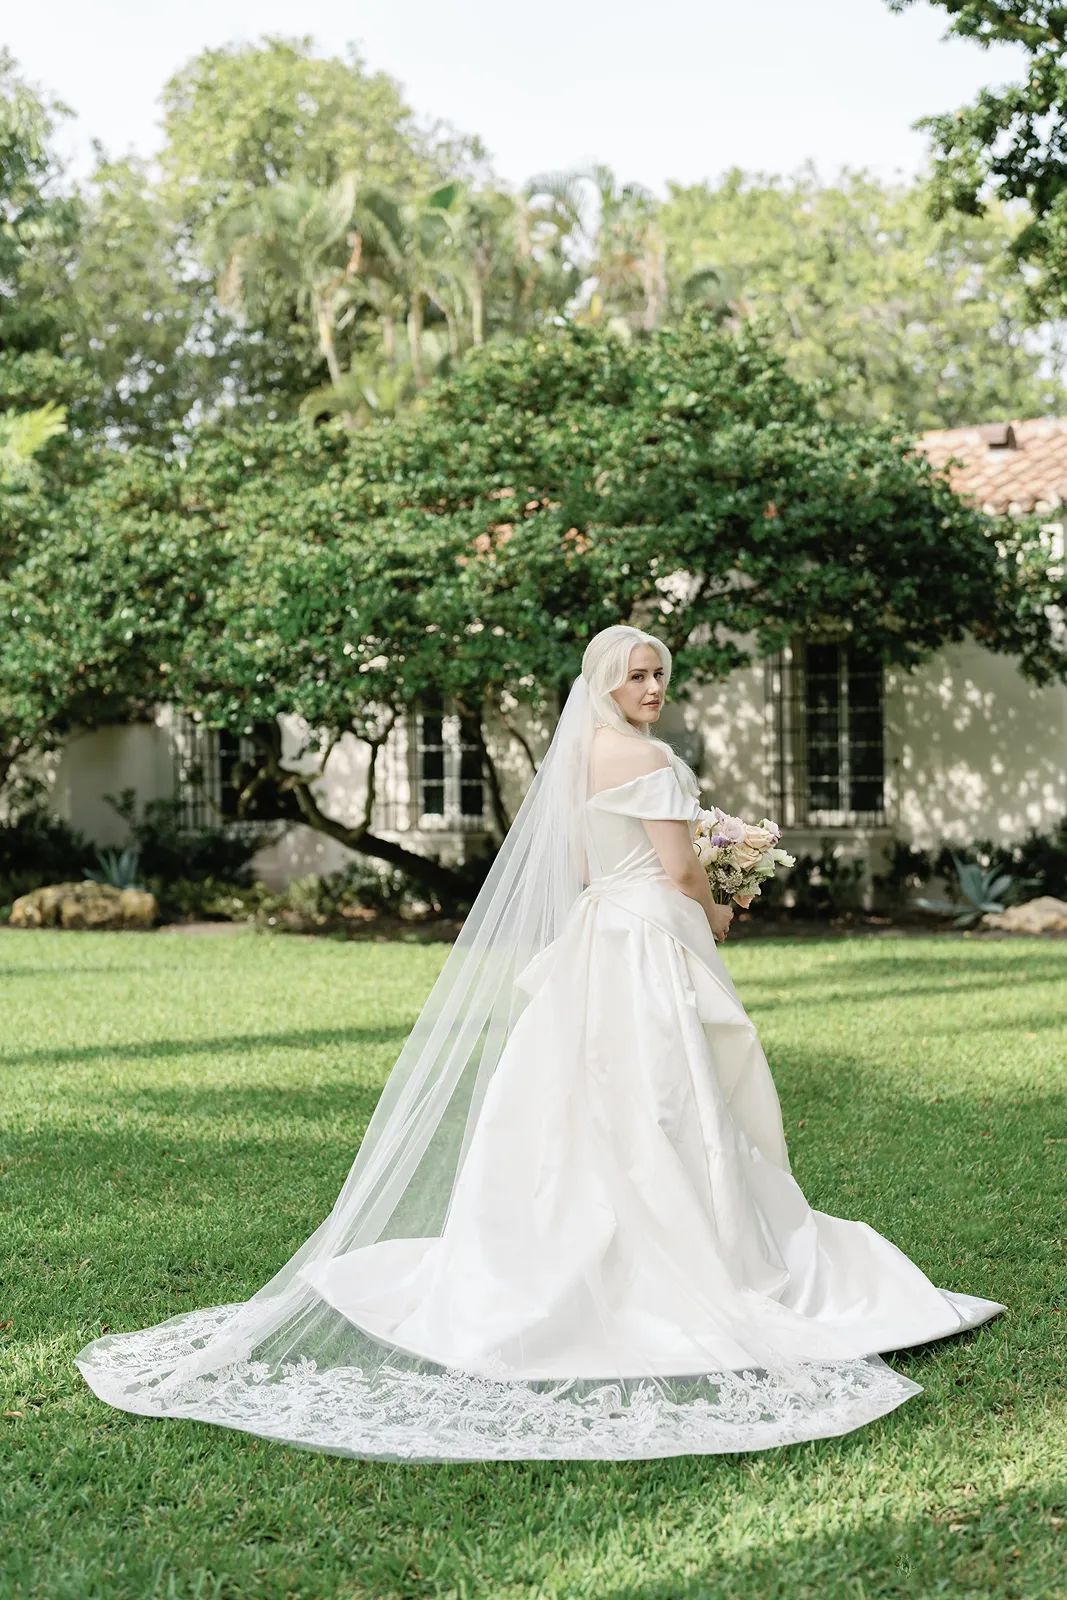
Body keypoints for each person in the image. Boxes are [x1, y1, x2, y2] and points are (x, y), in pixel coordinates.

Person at [76, 624, 1003, 1461]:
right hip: (646, 942)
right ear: (604, 682)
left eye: (658, 675)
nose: (651, 688)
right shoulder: (646, 757)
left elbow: (588, 867)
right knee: (664, 1097)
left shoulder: (579, 762)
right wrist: (721, 898)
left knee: (586, 1097)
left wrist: (688, 878)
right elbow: (677, 867)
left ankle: (568, 1249)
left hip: (598, 938)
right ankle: (687, 1256)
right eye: (637, 675)